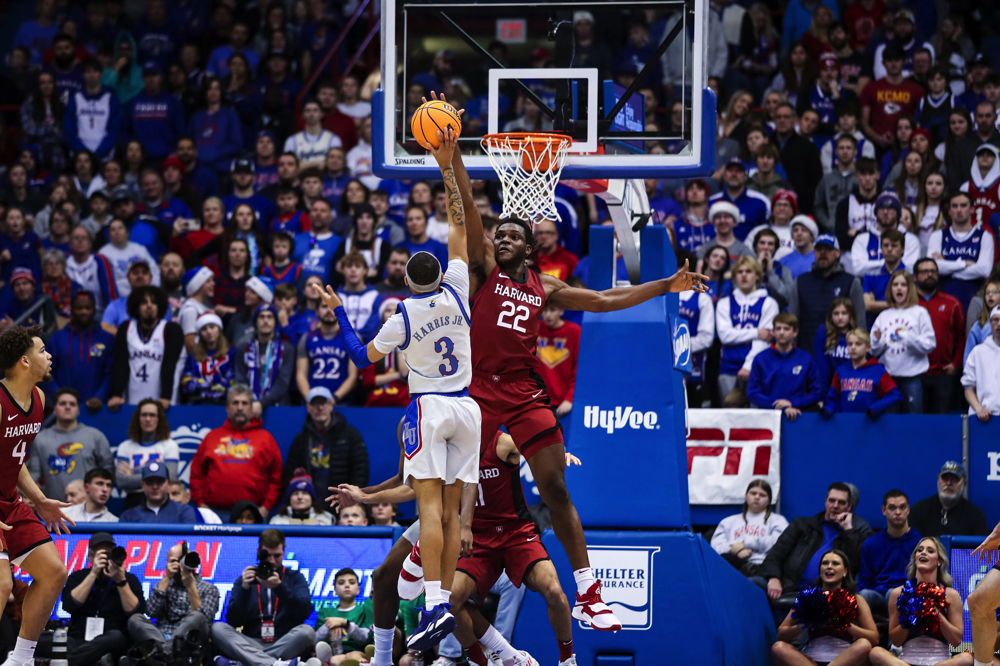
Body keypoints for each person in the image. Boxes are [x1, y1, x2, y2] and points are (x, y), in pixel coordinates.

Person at [326, 128, 480, 648]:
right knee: (456, 511)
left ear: (407, 283)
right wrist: (447, 164)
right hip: (467, 408)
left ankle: (435, 601)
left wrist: (340, 314)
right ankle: (441, 597)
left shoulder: (402, 315)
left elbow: (359, 359)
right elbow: (459, 225)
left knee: (430, 510)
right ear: (440, 275)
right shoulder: (458, 291)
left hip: (429, 408)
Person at [0, 326, 72, 666]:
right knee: (2, 585)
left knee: (54, 572)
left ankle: (21, 660)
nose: (49, 356)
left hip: (9, 502)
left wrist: (40, 500)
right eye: (43, 350)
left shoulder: (40, 400)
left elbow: (15, 458)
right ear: (25, 360)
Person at [211, 529, 314, 666]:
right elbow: (234, 621)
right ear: (259, 552)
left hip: (284, 641)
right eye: (267, 555)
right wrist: (244, 589)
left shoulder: (295, 577)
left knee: (307, 632)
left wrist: (279, 587)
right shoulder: (246, 579)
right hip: (251, 641)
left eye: (277, 556)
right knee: (217, 628)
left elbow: (304, 612)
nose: (272, 561)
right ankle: (275, 664)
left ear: (284, 552)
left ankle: (246, 662)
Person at [190, 384, 283, 520]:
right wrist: (201, 504)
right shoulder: (212, 437)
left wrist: (265, 508)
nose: (240, 408)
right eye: (235, 403)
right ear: (227, 408)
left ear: (252, 409)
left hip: (252, 515)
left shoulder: (266, 438)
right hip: (214, 513)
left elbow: (277, 478)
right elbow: (197, 474)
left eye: (244, 403)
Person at [868, 538, 965, 666]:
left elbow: (956, 641)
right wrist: (911, 616)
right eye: (920, 550)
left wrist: (936, 614)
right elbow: (896, 642)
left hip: (940, 662)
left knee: (966, 658)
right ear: (915, 558)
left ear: (940, 561)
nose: (923, 553)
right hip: (906, 661)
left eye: (930, 551)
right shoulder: (898, 593)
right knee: (876, 652)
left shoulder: (951, 595)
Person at [772, 548, 878, 666]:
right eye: (825, 563)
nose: (829, 566)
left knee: (864, 644)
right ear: (820, 570)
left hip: (845, 659)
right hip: (809, 660)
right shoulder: (807, 597)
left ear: (845, 571)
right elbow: (781, 634)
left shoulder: (856, 598)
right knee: (778, 647)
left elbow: (874, 638)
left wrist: (845, 624)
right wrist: (805, 623)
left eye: (835, 563)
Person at [127, 541, 219, 665]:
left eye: (182, 560)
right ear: (167, 564)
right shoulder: (163, 584)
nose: (179, 565)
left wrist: (191, 586)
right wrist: (167, 578)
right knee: (135, 619)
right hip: (160, 636)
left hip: (189, 642)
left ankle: (162, 655)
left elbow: (205, 621)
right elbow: (150, 612)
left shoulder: (208, 588)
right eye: (174, 561)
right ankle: (167, 654)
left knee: (197, 616)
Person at [61, 531, 144, 666]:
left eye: (109, 553)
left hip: (113, 640)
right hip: (80, 638)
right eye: (100, 553)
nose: (105, 558)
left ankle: (70, 661)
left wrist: (120, 580)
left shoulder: (129, 579)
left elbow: (135, 612)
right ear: (90, 557)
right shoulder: (78, 577)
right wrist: (93, 574)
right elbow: (69, 605)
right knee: (45, 640)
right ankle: (94, 659)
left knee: (115, 638)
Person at [27, 387, 112, 501]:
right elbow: (33, 474)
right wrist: (30, 496)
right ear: (55, 410)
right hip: (53, 507)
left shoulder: (95, 436)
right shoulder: (41, 439)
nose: (67, 407)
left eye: (72, 404)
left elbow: (108, 472)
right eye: (62, 403)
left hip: (87, 507)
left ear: (78, 410)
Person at [790, 234, 866, 358]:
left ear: (837, 253)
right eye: (819, 249)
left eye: (828, 249)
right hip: (805, 353)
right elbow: (793, 321)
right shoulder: (800, 282)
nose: (823, 253)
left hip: (840, 355)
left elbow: (860, 322)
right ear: (814, 253)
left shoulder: (851, 282)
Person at [870, 271, 936, 413]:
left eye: (903, 285)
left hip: (912, 378)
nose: (899, 288)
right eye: (895, 285)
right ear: (890, 289)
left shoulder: (920, 313)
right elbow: (874, 351)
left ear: (909, 288)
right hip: (888, 378)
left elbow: (930, 344)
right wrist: (876, 340)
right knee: (890, 420)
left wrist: (907, 337)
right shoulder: (884, 316)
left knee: (914, 419)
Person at [283, 385, 369, 495]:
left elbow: (361, 471)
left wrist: (353, 498)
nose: (320, 408)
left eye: (323, 403)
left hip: (342, 502)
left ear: (331, 405)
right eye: (315, 404)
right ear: (308, 408)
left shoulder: (350, 435)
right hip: (311, 504)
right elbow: (291, 473)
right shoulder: (301, 439)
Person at [108, 287, 183, 410]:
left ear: (160, 306)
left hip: (161, 400)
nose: (149, 306)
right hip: (131, 398)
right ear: (136, 306)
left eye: (154, 302)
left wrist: (166, 396)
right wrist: (116, 394)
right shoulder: (125, 329)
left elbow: (169, 365)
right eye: (144, 302)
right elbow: (120, 364)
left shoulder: (171, 329)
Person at [715, 256, 779, 401]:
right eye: (739, 271)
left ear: (757, 276)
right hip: (728, 367)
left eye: (749, 271)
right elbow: (725, 336)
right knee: (728, 415)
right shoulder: (724, 303)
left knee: (755, 417)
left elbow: (765, 340)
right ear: (735, 276)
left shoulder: (769, 303)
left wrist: (749, 365)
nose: (744, 275)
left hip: (757, 368)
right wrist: (756, 332)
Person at [911, 258, 966, 415]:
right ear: (914, 277)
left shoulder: (952, 303)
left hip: (943, 373)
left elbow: (961, 337)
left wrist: (955, 364)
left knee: (943, 421)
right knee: (916, 422)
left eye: (933, 271)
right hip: (914, 373)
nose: (929, 274)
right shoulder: (908, 303)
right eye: (924, 271)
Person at [855, 489, 922, 616]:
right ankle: (864, 636)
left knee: (893, 593)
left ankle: (894, 636)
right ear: (884, 510)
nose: (898, 512)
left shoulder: (920, 544)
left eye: (902, 507)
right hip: (878, 594)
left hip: (907, 596)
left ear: (908, 510)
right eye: (892, 508)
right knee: (863, 595)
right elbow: (865, 581)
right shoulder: (871, 543)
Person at [747, 313, 822, 419]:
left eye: (786, 329)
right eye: (778, 328)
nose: (781, 332)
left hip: (797, 415)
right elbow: (752, 392)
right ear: (773, 332)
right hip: (767, 417)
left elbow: (817, 392)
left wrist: (792, 403)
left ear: (795, 332)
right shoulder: (760, 358)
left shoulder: (805, 358)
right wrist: (779, 405)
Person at [928, 191, 995, 311]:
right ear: (949, 211)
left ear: (972, 209)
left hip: (974, 299)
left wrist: (947, 268)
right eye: (954, 206)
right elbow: (932, 268)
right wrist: (964, 264)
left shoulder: (984, 236)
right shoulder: (937, 235)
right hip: (943, 299)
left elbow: (984, 270)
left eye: (963, 205)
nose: (959, 210)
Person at [711, 480, 788, 577]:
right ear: (746, 496)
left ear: (769, 500)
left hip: (762, 567)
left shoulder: (778, 521)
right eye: (753, 493)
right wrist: (735, 550)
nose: (757, 497)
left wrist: (745, 543)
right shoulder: (728, 522)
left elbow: (779, 545)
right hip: (731, 565)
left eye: (762, 495)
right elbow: (716, 547)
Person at [115, 398, 179, 510]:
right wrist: (157, 476)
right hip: (133, 502)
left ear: (159, 419)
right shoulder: (125, 446)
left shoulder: (170, 445)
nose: (148, 419)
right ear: (138, 419)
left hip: (161, 502)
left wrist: (133, 473)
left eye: (152, 415)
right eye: (144, 415)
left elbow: (170, 478)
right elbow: (122, 481)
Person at [821, 328, 902, 416]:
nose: (853, 347)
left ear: (868, 347)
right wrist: (828, 409)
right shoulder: (841, 371)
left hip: (870, 423)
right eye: (850, 344)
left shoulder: (878, 370)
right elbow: (833, 398)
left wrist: (876, 408)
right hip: (845, 423)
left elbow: (895, 394)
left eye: (858, 344)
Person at [860, 46, 924, 152]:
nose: (893, 64)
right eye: (889, 60)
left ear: (903, 61)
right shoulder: (870, 88)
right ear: (883, 63)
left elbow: (920, 122)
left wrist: (907, 139)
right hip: (878, 146)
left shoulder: (916, 89)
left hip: (907, 146)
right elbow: (864, 122)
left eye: (897, 60)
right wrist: (878, 138)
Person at [234, 305, 296, 408]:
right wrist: (251, 402)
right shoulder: (243, 348)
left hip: (279, 407)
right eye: (261, 317)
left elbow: (283, 382)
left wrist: (262, 403)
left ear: (275, 321)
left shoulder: (287, 349)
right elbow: (240, 379)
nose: (265, 321)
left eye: (270, 317)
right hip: (248, 406)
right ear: (255, 321)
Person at [295, 301, 356, 401]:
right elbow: (301, 375)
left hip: (343, 403)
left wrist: (334, 399)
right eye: (324, 307)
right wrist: (309, 399)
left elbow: (353, 377)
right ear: (317, 311)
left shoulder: (351, 339)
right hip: (313, 402)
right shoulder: (306, 338)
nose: (329, 310)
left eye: (333, 307)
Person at [909, 461, 988, 537]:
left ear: (964, 484)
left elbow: (980, 549)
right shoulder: (919, 510)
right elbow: (912, 547)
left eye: (954, 479)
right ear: (938, 480)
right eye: (945, 478)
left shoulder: (975, 516)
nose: (949, 483)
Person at [849, 193, 920, 276]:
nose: (885, 212)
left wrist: (870, 265)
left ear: (898, 214)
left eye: (890, 209)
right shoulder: (862, 238)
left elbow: (910, 268)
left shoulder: (910, 239)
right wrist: (893, 263)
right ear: (876, 213)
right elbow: (858, 269)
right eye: (881, 209)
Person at [772, 103, 824, 214]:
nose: (782, 120)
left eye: (786, 117)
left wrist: (803, 207)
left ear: (795, 120)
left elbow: (815, 181)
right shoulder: (766, 144)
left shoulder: (808, 147)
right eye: (778, 117)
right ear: (774, 120)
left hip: (799, 208)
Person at [64, 58, 121, 160]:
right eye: (88, 72)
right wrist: (83, 152)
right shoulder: (74, 100)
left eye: (95, 71)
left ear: (101, 74)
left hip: (105, 156)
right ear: (83, 75)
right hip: (79, 156)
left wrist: (100, 151)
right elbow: (69, 129)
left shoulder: (111, 100)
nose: (91, 75)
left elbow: (114, 129)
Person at [313, 567, 371, 662]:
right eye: (341, 583)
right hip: (331, 653)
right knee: (331, 658)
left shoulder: (364, 610)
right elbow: (316, 640)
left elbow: (366, 638)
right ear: (335, 590)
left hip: (357, 652)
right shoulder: (325, 612)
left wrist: (345, 623)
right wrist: (330, 625)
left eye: (351, 583)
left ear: (358, 590)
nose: (347, 585)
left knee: (353, 656)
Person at [708, 158, 771, 242]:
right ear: (724, 175)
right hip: (718, 251)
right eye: (730, 170)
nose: (734, 174)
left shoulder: (760, 201)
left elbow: (766, 230)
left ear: (745, 176)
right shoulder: (712, 201)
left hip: (750, 252)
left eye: (738, 171)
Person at [536, 302, 580, 418]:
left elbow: (578, 369)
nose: (548, 315)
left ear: (562, 311)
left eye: (553, 310)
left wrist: (570, 398)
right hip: (536, 400)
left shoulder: (574, 331)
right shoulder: (535, 328)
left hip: (562, 403)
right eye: (545, 310)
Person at [181, 312, 234, 404]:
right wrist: (215, 384)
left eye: (212, 327)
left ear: (219, 329)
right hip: (197, 405)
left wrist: (200, 383)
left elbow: (233, 383)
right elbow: (186, 384)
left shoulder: (232, 354)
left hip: (224, 405)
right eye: (204, 329)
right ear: (200, 333)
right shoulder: (192, 357)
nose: (209, 332)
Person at [119, 462, 198, 523]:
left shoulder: (184, 512)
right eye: (149, 482)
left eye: (160, 482)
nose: (155, 486)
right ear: (142, 485)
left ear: (169, 484)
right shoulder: (129, 516)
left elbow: (190, 541)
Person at [66, 227, 118, 316]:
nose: (80, 241)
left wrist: (112, 316)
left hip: (97, 314)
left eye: (84, 238)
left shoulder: (100, 261)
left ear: (90, 243)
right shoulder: (64, 263)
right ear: (70, 243)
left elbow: (110, 293)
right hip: (70, 315)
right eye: (76, 238)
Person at [814, 135, 859, 234]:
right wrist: (828, 223)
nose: (845, 151)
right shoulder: (827, 179)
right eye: (841, 148)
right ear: (836, 151)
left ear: (855, 151)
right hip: (831, 231)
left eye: (848, 148)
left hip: (855, 232)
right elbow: (818, 205)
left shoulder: (861, 178)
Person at [963, 305, 1000, 422]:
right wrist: (979, 409)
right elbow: (968, 388)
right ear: (990, 323)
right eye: (995, 319)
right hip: (983, 419)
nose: (999, 324)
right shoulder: (978, 352)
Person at [284, 100, 341, 169]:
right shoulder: (292, 141)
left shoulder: (333, 139)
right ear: (303, 114)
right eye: (308, 110)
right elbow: (289, 168)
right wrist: (317, 163)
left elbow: (334, 165)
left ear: (322, 114)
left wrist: (302, 165)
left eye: (315, 110)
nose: (311, 113)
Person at [178, 266, 215, 355]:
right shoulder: (190, 309)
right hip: (194, 363)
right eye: (208, 281)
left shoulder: (201, 307)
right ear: (197, 285)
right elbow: (190, 344)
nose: (213, 283)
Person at [775, 215, 818, 279]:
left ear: (812, 236)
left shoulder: (820, 258)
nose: (799, 233)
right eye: (795, 230)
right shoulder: (783, 261)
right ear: (792, 235)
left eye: (804, 230)